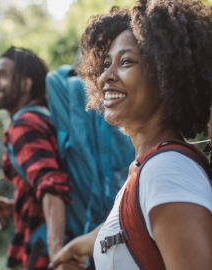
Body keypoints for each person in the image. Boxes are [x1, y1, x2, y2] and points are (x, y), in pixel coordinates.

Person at [50, 1, 212, 269]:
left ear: (165, 74)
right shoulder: (145, 168)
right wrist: (81, 244)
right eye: (105, 64)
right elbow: (136, 227)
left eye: (126, 61)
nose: (106, 77)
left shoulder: (165, 171)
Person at [0, 47, 81, 270]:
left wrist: (57, 255)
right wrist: (15, 207)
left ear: (25, 84)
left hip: (46, 252)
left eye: (3, 75)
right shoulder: (47, 117)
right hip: (75, 238)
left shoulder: (24, 125)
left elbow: (52, 185)